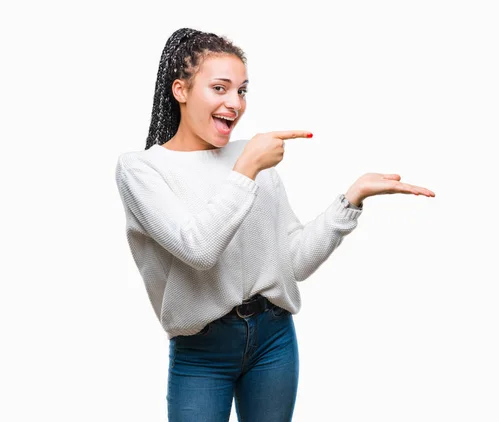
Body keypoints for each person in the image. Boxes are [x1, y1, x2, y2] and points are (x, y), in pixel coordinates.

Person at [115, 27, 435, 422]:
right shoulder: (142, 169)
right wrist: (246, 167)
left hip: (274, 339)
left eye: (242, 91)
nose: (235, 103)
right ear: (180, 90)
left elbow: (293, 263)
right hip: (201, 351)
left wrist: (351, 199)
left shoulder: (253, 162)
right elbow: (197, 248)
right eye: (220, 88)